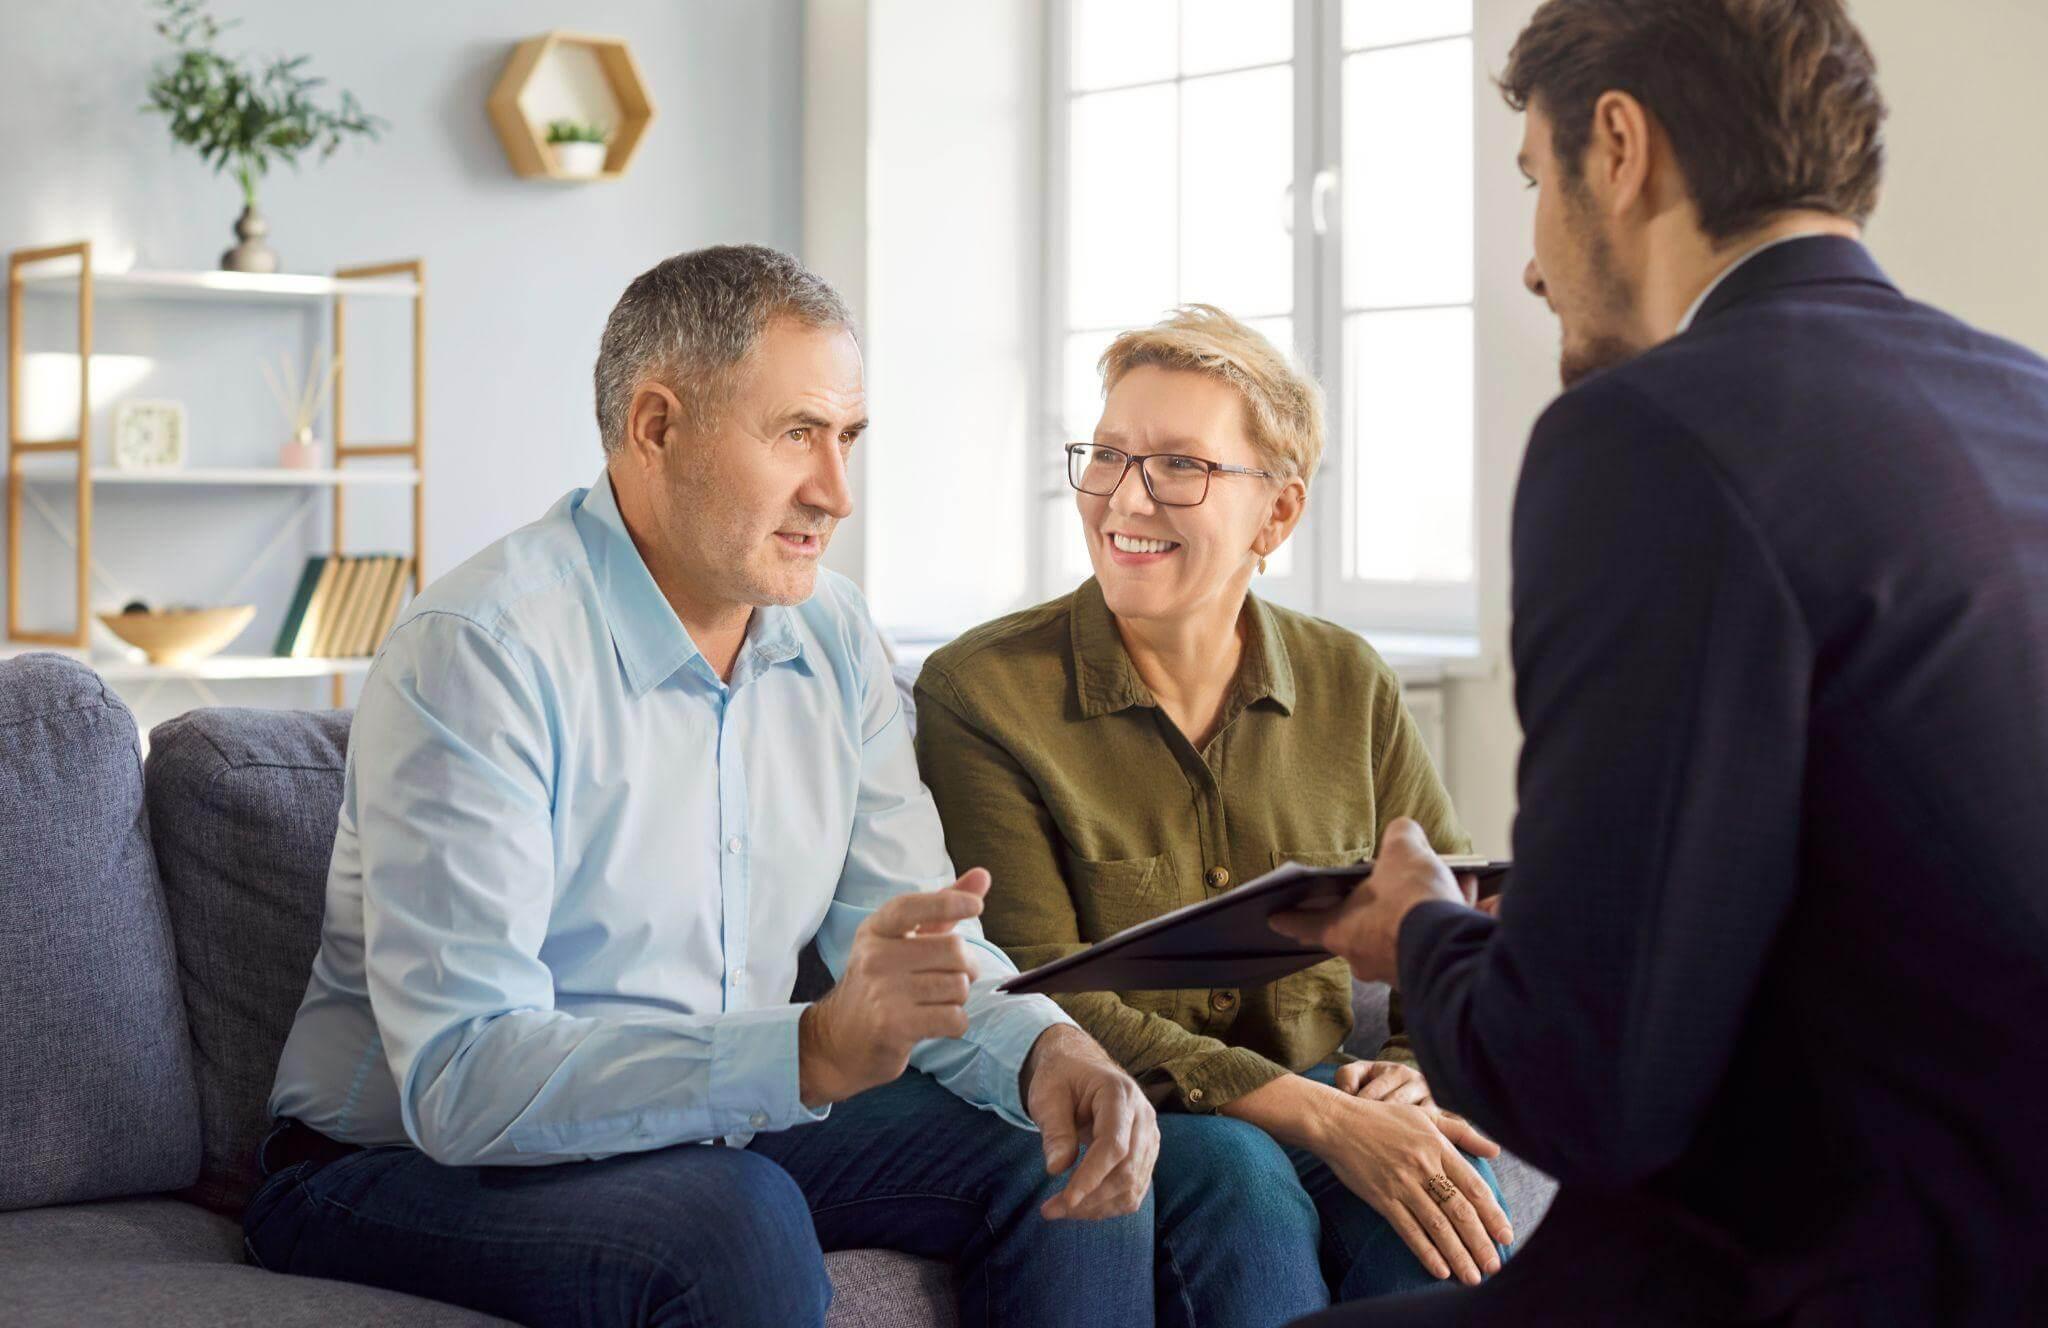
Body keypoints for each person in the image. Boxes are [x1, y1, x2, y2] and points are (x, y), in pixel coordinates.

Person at [1272, 2, 2048, 1324]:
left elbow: (1591, 1090)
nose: (1530, 262)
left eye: (1532, 177)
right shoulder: (2021, 402)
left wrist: (1421, 934)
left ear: (1619, 148)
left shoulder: (1644, 441)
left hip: (1811, 1273)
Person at [244, 245, 1163, 1328]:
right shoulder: (481, 648)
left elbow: (917, 937)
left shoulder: (833, 636)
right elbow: (463, 1074)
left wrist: (1047, 1047)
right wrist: (807, 1048)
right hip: (389, 1162)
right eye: (794, 436)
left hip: (710, 1125)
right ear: (656, 426)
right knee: (733, 1215)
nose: (836, 492)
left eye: (847, 439)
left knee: (1052, 1144)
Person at [914, 305, 1513, 1327]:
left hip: (1314, 1080)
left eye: (1177, 464)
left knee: (1449, 1200)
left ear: (1273, 516)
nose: (1122, 496)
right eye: (1105, 455)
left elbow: (1443, 923)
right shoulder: (981, 692)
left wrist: (1407, 1076)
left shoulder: (1347, 682)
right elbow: (1037, 990)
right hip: (1133, 1099)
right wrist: (1321, 1115)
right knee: (1237, 1177)